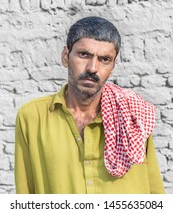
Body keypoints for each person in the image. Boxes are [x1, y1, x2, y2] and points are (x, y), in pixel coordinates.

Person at [15, 16, 165, 194]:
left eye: (104, 59)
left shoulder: (132, 114)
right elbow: (25, 195)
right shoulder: (32, 117)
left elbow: (155, 191)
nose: (93, 68)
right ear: (65, 57)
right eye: (84, 54)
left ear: (113, 66)